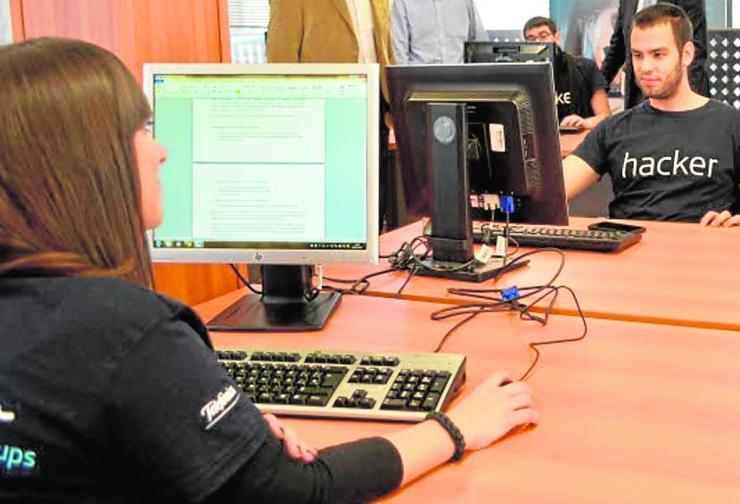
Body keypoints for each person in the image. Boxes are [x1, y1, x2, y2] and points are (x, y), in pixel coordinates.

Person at [0, 38, 537, 502]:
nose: (162, 151)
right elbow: (294, 491)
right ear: (86, 163)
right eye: (141, 130)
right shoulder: (128, 335)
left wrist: (216, 426)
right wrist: (454, 429)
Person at [563, 4, 740, 228]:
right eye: (638, 55)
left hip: (705, 253)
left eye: (658, 55)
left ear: (686, 54)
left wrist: (739, 234)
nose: (645, 67)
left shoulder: (734, 125)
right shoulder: (614, 129)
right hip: (630, 253)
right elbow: (555, 189)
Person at [600, 0, 709, 109]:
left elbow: (696, 50)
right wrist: (598, 89)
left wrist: (684, 99)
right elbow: (617, 48)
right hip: (638, 97)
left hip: (679, 97)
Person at [522, 16, 610, 131]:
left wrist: (584, 122)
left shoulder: (586, 67)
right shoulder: (523, 76)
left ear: (556, 37)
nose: (538, 42)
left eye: (543, 36)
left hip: (581, 141)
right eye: (531, 39)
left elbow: (605, 116)